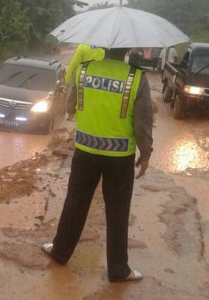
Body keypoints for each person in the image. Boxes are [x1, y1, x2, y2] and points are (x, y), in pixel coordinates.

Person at [41, 47, 153, 283]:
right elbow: (143, 121)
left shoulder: (83, 71)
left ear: (103, 47)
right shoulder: (136, 78)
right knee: (118, 210)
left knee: (75, 203)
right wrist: (146, 153)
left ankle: (60, 252)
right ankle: (119, 270)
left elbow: (69, 107)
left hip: (85, 151)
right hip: (120, 157)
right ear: (126, 50)